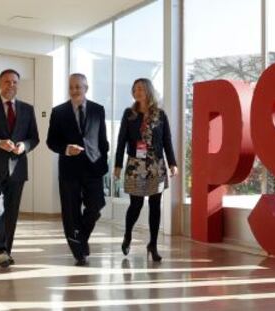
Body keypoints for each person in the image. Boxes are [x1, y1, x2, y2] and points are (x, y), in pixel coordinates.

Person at [0, 69, 39, 268]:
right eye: (6, 82)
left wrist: (24, 146)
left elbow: (34, 138)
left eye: (14, 82)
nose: (10, 85)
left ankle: (6, 251)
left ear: (18, 84)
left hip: (17, 169)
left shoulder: (27, 109)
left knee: (11, 213)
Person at [46, 73, 109, 266]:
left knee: (96, 206)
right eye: (71, 87)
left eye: (78, 87)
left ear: (86, 88)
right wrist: (66, 149)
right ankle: (78, 251)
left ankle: (81, 237)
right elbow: (51, 141)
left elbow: (102, 140)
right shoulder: (58, 112)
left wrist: (103, 162)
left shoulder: (98, 110)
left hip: (93, 168)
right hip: (69, 169)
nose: (74, 90)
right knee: (71, 211)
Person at [114, 78, 178, 262]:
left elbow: (167, 141)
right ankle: (127, 235)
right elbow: (121, 141)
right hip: (135, 165)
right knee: (136, 204)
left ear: (149, 91)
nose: (137, 91)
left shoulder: (160, 115)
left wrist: (172, 163)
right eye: (135, 89)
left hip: (156, 165)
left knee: (155, 205)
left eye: (141, 88)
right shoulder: (129, 114)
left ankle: (153, 244)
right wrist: (118, 165)